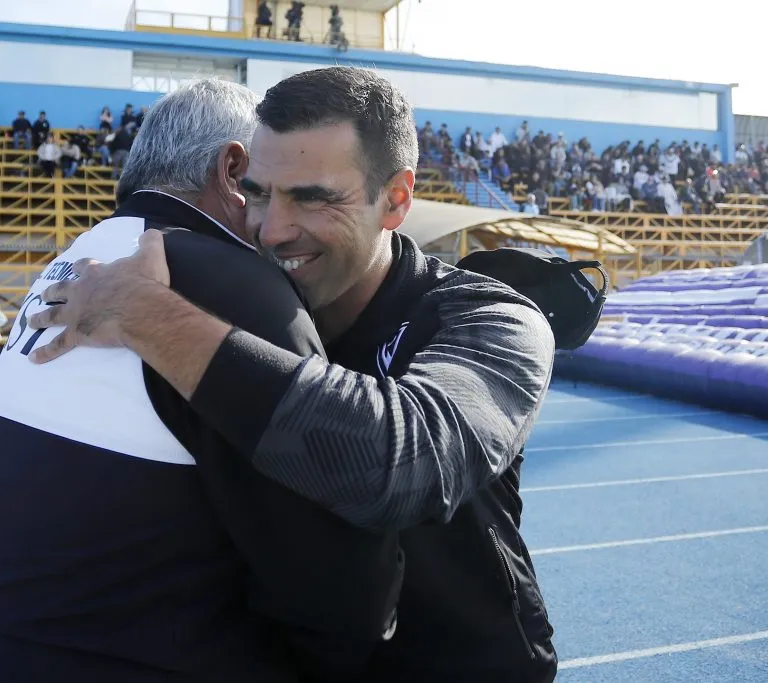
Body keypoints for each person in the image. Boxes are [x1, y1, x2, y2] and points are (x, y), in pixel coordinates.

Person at [28, 66, 559, 682]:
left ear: (396, 200)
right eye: (257, 193)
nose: (272, 230)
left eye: (312, 197)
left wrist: (151, 318)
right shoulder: (250, 308)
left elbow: (405, 465)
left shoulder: (492, 319)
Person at [0, 78, 402, 683]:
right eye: (265, 189)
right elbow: (335, 569)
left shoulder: (80, 256)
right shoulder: (227, 279)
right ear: (235, 168)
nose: (276, 226)